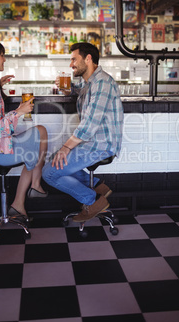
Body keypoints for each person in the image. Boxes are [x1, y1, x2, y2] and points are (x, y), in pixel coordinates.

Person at [42, 42, 124, 222]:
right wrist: (71, 88)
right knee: (55, 159)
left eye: (74, 59)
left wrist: (66, 147)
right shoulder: (90, 82)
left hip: (101, 145)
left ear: (88, 59)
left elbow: (90, 124)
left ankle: (93, 200)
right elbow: (83, 93)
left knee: (49, 172)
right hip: (91, 142)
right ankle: (96, 186)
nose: (71, 64)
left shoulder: (102, 82)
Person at [0, 39, 48, 223]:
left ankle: (27, 195)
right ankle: (31, 190)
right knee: (40, 134)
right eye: (2, 55)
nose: (4, 60)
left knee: (35, 139)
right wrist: (18, 112)